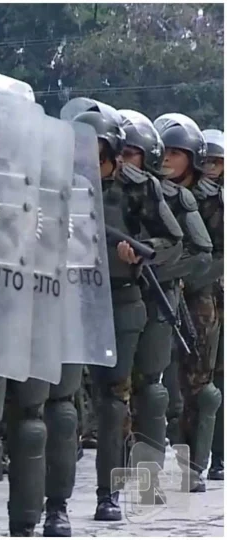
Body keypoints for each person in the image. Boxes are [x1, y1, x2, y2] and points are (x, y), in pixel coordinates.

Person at [70, 106, 184, 521]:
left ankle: (107, 494)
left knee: (115, 400)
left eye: (98, 155)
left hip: (121, 298)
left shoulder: (139, 189)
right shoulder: (56, 186)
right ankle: (54, 503)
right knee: (62, 403)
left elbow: (172, 240)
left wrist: (139, 252)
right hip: (67, 297)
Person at [154, 114, 223, 493]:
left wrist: (186, 279)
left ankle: (195, 465)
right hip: (161, 293)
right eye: (164, 151)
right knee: (163, 386)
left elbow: (219, 256)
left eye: (176, 153)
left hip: (202, 299)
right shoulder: (154, 193)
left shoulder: (214, 200)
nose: (167, 159)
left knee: (200, 384)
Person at [200, 128, 224, 481]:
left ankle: (218, 456)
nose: (210, 167)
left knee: (219, 378)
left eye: (217, 162)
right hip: (200, 295)